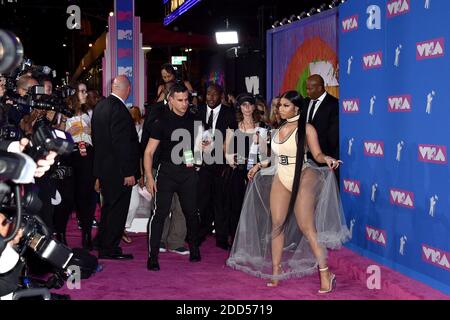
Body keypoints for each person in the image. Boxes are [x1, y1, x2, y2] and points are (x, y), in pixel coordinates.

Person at [226, 90, 349, 293]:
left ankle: (325, 272)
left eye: (285, 105)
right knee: (277, 224)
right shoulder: (278, 128)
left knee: (306, 226)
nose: (280, 109)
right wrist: (258, 166)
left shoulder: (307, 128)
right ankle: (276, 272)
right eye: (279, 105)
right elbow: (276, 157)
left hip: (303, 175)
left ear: (296, 107)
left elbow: (316, 154)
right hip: (280, 175)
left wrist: (327, 158)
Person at [144, 83, 202, 271]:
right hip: (167, 172)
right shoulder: (161, 121)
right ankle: (153, 256)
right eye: (180, 100)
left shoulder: (195, 120)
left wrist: (199, 157)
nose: (185, 104)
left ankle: (194, 249)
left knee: (191, 213)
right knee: (160, 214)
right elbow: (149, 152)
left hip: (187, 172)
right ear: (170, 100)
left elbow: (200, 146)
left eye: (187, 99)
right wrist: (149, 177)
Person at [91, 75, 140, 260]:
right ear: (127, 89)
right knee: (117, 210)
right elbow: (122, 144)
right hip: (119, 171)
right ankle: (109, 248)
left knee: (108, 208)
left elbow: (99, 142)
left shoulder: (100, 106)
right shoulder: (119, 109)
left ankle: (103, 242)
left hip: (105, 169)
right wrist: (129, 172)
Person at [195, 83, 237, 250]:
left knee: (221, 202)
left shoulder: (230, 113)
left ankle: (221, 237)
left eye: (214, 94)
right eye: (208, 94)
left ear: (221, 96)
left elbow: (232, 140)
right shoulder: (197, 111)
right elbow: (192, 138)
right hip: (202, 165)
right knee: (202, 201)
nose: (211, 97)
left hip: (221, 164)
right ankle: (200, 233)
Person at [224, 93, 268, 243]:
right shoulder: (233, 125)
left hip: (256, 171)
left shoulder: (262, 127)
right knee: (236, 206)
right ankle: (237, 240)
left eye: (250, 104)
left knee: (257, 207)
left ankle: (257, 240)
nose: (247, 108)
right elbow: (227, 149)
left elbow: (265, 154)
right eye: (244, 105)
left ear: (254, 106)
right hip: (237, 171)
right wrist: (232, 161)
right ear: (239, 107)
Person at [305, 74, 339, 163]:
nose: (307, 92)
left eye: (310, 89)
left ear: (320, 88)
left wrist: (323, 156)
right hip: (305, 157)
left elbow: (333, 136)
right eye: (306, 89)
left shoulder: (334, 104)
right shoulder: (305, 102)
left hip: (325, 156)